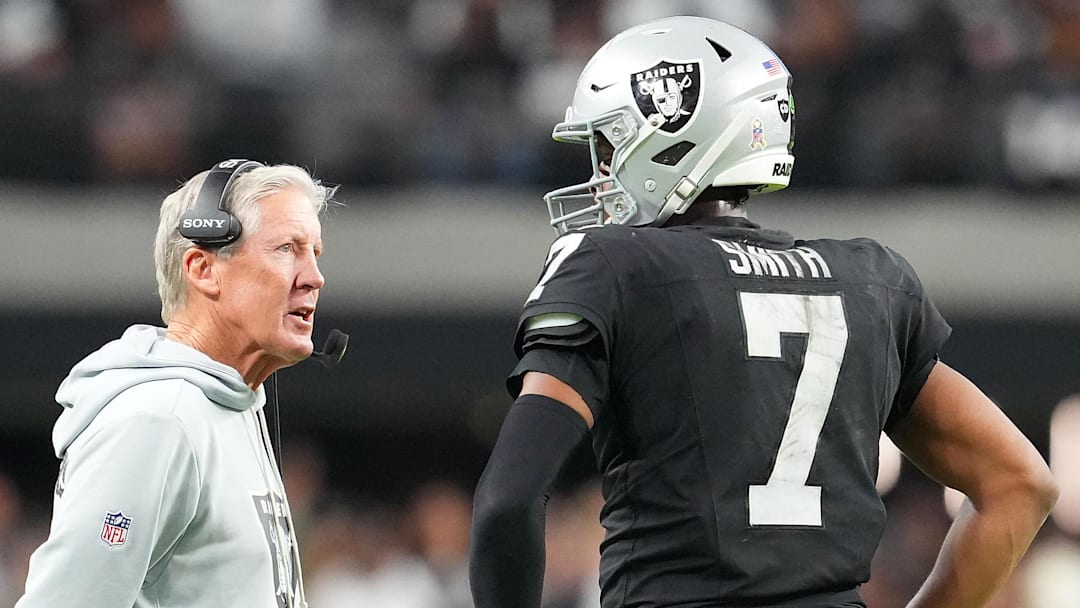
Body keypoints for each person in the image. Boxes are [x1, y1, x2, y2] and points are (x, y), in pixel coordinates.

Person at [469, 16, 1058, 608]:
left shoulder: (613, 266)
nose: (599, 175)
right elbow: (1019, 483)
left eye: (606, 149)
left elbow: (508, 502)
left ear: (673, 133)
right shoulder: (870, 281)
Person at [17, 160, 337, 607]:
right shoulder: (159, 419)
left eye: (314, 253)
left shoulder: (226, 402)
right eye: (287, 248)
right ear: (203, 269)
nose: (315, 277)